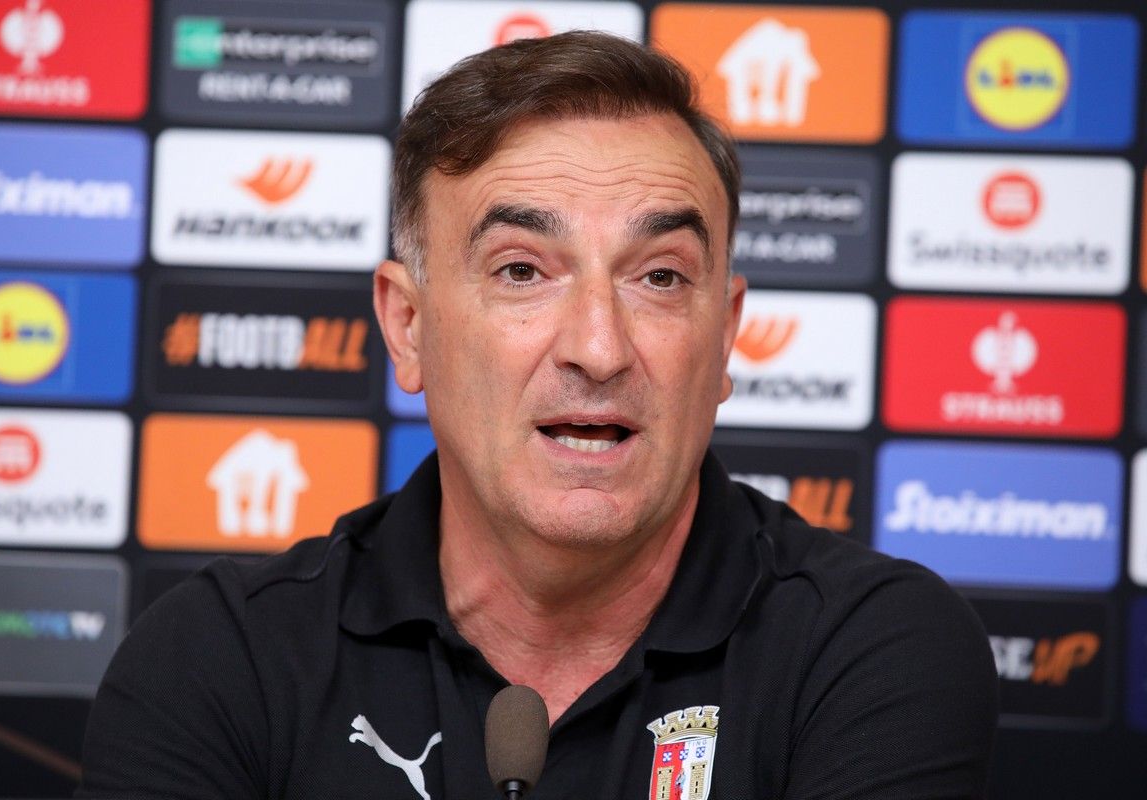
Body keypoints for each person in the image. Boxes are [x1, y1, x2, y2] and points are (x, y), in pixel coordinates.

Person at [78, 31, 997, 799]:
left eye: (659, 277)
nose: (598, 347)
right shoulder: (220, 657)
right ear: (407, 326)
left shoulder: (871, 648)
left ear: (725, 337)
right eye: (521, 271)